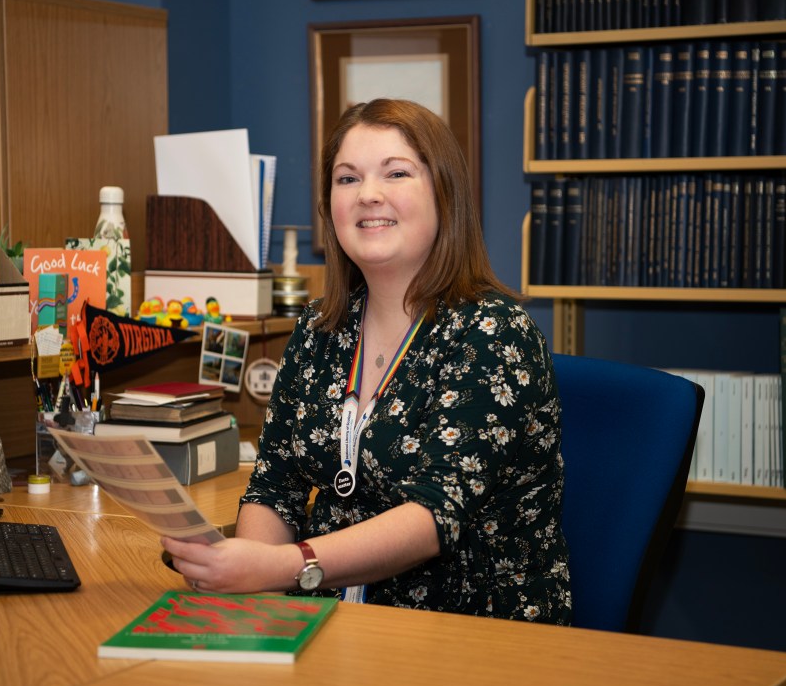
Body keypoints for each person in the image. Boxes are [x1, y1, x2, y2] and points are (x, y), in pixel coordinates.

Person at [161, 98, 572, 624]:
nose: (368, 195)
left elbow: (433, 518)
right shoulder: (317, 330)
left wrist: (283, 567)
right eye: (347, 179)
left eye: (396, 173)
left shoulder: (493, 336)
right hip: (331, 623)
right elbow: (274, 487)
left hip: (468, 634)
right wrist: (253, 591)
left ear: (445, 195)